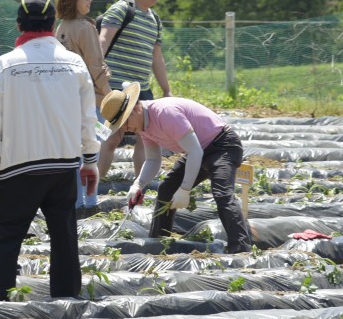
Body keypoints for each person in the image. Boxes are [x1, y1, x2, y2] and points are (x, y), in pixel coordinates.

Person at [0, 0, 100, 301]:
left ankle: (1, 303)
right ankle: (67, 301)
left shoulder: (6, 64)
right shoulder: (74, 63)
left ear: (19, 24)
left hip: (18, 166)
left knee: (7, 237)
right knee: (64, 236)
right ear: (53, 25)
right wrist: (90, 160)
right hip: (63, 165)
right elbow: (88, 117)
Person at [98, 84, 252, 254]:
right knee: (166, 190)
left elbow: (195, 151)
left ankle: (241, 249)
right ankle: (158, 243)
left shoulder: (165, 113)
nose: (126, 130)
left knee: (222, 193)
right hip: (200, 149)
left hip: (222, 145)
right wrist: (138, 184)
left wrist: (185, 189)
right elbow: (153, 159)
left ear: (135, 109)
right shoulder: (143, 126)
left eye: (125, 123)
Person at [97, 0, 173, 176]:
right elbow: (103, 39)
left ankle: (141, 187)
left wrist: (166, 90)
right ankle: (94, 188)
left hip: (142, 88)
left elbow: (156, 57)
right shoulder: (122, 9)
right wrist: (95, 72)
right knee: (111, 138)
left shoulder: (155, 20)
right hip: (115, 86)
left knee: (146, 139)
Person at [55, 0, 111, 216]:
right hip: (90, 99)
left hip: (64, 98)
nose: (90, 0)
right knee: (91, 151)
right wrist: (111, 97)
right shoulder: (85, 27)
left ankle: (75, 201)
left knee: (72, 154)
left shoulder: (61, 28)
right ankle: (89, 203)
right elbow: (96, 66)